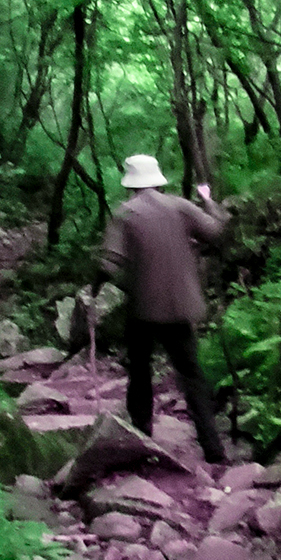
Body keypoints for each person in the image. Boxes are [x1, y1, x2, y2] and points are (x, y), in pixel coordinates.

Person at [98, 154, 228, 465]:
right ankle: (213, 448)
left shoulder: (125, 215)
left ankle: (141, 437)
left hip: (142, 310)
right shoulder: (181, 206)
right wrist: (208, 201)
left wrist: (93, 290)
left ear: (131, 184)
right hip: (182, 306)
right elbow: (217, 232)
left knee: (140, 372)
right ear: (157, 179)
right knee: (191, 374)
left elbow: (108, 264)